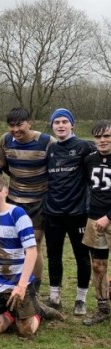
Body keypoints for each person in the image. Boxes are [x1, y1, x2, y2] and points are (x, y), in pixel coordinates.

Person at [0, 107, 55, 297]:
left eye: (20, 125)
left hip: (38, 202)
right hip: (14, 201)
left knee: (34, 245)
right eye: (12, 125)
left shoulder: (47, 141)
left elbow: (55, 168)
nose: (15, 129)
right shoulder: (5, 140)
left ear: (29, 123)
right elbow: (6, 167)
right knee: (14, 244)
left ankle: (35, 288)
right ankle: (15, 283)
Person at [44, 108, 94, 315]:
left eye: (65, 121)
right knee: (53, 256)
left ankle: (80, 299)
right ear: (52, 126)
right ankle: (54, 297)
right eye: (57, 122)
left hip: (78, 213)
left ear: (72, 124)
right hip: (53, 213)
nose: (61, 125)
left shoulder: (84, 146)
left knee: (82, 257)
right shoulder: (51, 149)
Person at [0, 175, 40, 337]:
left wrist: (21, 286)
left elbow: (32, 252)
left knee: (26, 332)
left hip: (17, 282)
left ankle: (37, 311)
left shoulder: (18, 215)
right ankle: (10, 314)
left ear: (6, 191)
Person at [82, 121, 111, 325]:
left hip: (107, 217)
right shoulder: (89, 160)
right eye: (98, 136)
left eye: (107, 136)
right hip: (95, 218)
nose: (102, 140)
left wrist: (108, 216)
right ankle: (103, 307)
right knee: (98, 265)